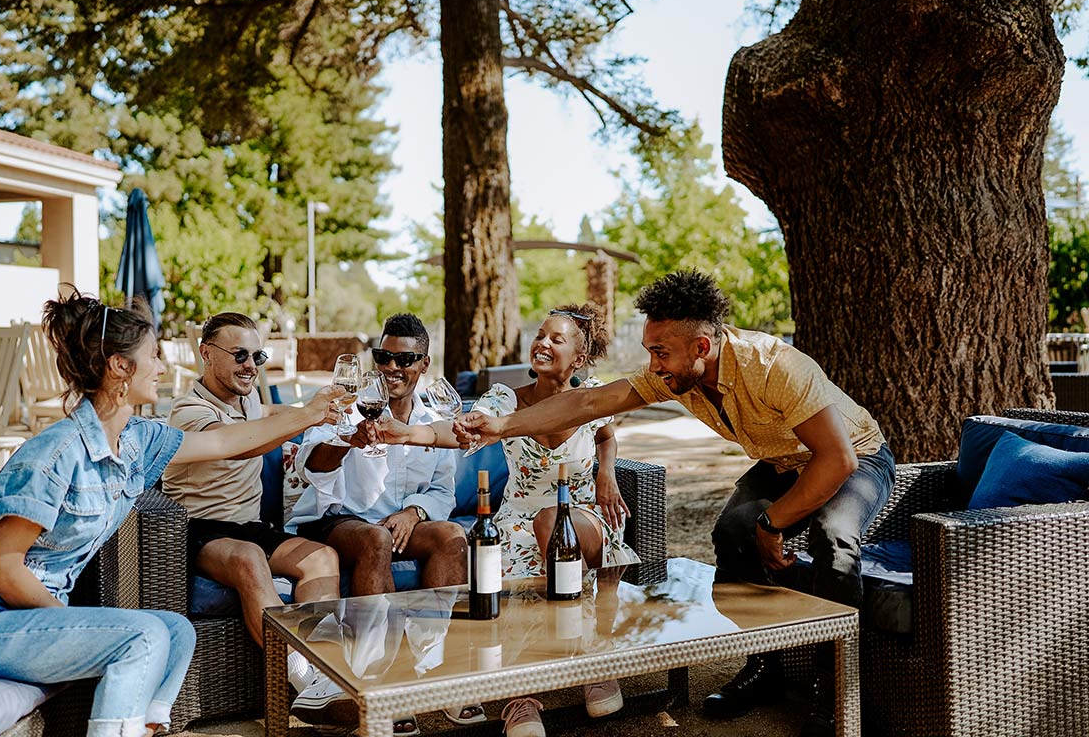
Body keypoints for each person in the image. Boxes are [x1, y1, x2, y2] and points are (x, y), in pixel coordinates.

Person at [456, 271, 895, 737]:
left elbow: (838, 459)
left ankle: (839, 690)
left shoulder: (775, 366)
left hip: (854, 455)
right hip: (784, 459)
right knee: (730, 532)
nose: (653, 363)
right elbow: (588, 405)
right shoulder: (675, 372)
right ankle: (764, 667)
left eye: (660, 352)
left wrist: (772, 523)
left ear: (701, 348)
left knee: (834, 537)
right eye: (650, 350)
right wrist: (502, 425)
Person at [0, 287, 344, 737]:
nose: (164, 367)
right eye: (154, 355)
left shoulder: (136, 440)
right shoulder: (53, 456)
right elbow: (0, 566)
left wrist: (312, 413)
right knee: (143, 636)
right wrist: (73, 622)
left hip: (30, 619)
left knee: (176, 630)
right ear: (120, 368)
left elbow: (228, 442)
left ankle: (146, 726)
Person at [368, 304, 638, 736]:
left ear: (579, 360)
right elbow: (458, 430)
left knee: (554, 522)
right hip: (517, 521)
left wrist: (607, 472)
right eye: (540, 335)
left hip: (583, 513)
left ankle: (593, 659)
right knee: (505, 558)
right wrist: (408, 433)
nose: (542, 343)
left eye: (556, 339)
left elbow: (606, 434)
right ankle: (521, 696)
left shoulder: (592, 395)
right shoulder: (504, 400)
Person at [287, 313, 479, 733]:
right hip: (338, 519)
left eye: (404, 360)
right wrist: (346, 439)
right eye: (384, 357)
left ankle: (429, 670)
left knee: (451, 535)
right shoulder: (348, 404)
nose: (392, 367)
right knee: (374, 538)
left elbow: (443, 491)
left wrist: (414, 512)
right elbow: (311, 465)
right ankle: (377, 682)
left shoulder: (432, 420)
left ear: (424, 364)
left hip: (399, 522)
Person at [166, 312, 352, 728]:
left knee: (322, 557)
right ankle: (304, 677)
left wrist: (331, 412)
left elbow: (267, 411)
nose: (251, 365)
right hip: (199, 527)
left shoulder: (248, 399)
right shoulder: (187, 410)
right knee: (250, 557)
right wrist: (306, 415)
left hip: (247, 525)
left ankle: (327, 673)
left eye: (257, 355)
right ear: (206, 355)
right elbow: (239, 446)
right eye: (239, 355)